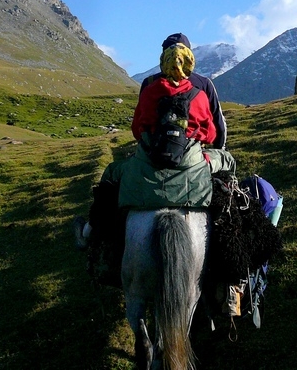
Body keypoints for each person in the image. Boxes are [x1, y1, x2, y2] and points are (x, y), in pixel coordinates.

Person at [75, 40, 235, 250]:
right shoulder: (200, 95)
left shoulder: (150, 91)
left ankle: (90, 232)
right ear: (189, 63)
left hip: (148, 161)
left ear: (163, 63)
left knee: (111, 174)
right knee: (228, 161)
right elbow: (211, 133)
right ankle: (231, 225)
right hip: (191, 161)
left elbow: (136, 129)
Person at [140, 33, 228, 150]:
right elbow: (217, 123)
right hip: (193, 151)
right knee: (227, 161)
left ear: (164, 56)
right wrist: (219, 148)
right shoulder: (203, 84)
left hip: (153, 151)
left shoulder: (149, 83)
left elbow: (139, 123)